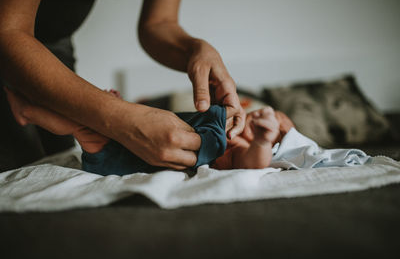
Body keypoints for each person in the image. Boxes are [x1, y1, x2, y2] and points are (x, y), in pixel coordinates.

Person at [0, 0, 245, 172]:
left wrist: (196, 49)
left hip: (52, 48)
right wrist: (117, 116)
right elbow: (8, 32)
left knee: (67, 136)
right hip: (12, 44)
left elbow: (159, 24)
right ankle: (27, 110)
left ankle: (28, 111)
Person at [5, 87, 294, 174]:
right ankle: (29, 111)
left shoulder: (236, 146)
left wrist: (261, 141)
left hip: (128, 158)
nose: (261, 116)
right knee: (86, 118)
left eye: (273, 123)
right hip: (135, 136)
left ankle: (29, 111)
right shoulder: (224, 118)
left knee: (83, 125)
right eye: (261, 112)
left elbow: (251, 165)